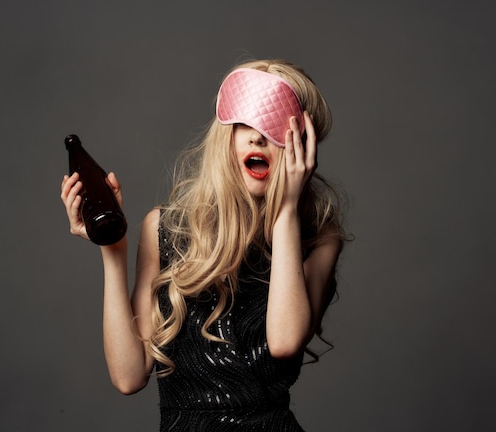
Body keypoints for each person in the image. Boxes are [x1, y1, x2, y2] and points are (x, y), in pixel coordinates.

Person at [60, 58, 348, 431]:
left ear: (302, 147)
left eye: (275, 126)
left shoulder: (319, 240)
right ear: (225, 134)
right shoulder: (165, 230)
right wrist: (113, 248)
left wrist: (287, 209)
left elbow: (283, 342)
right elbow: (128, 377)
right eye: (245, 122)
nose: (257, 137)